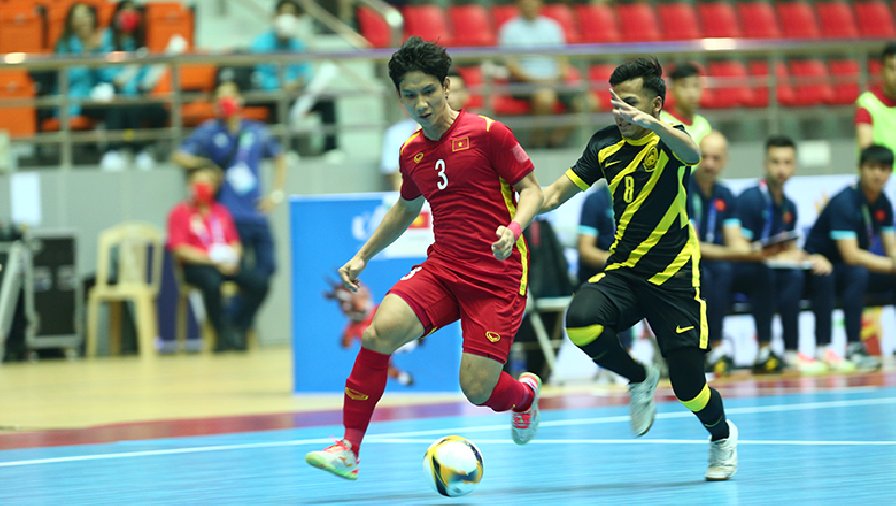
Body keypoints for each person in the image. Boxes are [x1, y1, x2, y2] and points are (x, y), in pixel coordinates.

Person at [304, 36, 545, 480]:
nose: (421, 103)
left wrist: (513, 230)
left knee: (477, 390)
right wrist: (362, 257)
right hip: (444, 269)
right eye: (410, 95)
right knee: (379, 332)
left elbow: (533, 191)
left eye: (428, 91)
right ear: (399, 98)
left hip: (497, 275)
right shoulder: (410, 152)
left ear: (446, 87)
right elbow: (405, 208)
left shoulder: (488, 134)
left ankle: (524, 396)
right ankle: (349, 448)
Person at [540, 57, 737, 481]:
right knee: (580, 322)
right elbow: (558, 191)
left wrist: (654, 126)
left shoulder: (671, 138)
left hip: (674, 278)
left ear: (656, 104)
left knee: (689, 388)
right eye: (614, 103)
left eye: (628, 103)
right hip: (625, 273)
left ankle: (721, 435)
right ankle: (638, 376)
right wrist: (519, 212)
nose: (620, 112)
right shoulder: (604, 145)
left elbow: (692, 152)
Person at [172, 80, 287, 349]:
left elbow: (280, 157)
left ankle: (235, 324)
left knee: (265, 271)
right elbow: (180, 155)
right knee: (233, 272)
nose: (226, 102)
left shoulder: (256, 131)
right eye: (220, 98)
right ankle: (231, 333)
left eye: (230, 97)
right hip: (230, 219)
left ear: (240, 101)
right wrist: (206, 165)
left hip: (256, 216)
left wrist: (275, 194)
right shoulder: (208, 133)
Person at [734, 136, 831, 373]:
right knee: (781, 276)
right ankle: (777, 350)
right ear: (765, 164)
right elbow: (740, 249)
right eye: (775, 162)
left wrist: (811, 258)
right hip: (749, 272)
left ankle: (818, 349)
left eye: (787, 162)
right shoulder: (750, 198)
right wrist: (773, 257)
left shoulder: (790, 206)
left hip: (778, 271)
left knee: (821, 274)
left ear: (794, 166)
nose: (781, 169)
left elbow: (789, 250)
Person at [804, 145, 896, 372]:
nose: (878, 174)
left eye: (883, 169)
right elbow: (850, 254)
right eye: (872, 168)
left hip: (849, 268)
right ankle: (853, 346)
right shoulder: (845, 201)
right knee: (857, 273)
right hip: (821, 265)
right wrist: (892, 265)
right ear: (859, 169)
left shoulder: (883, 202)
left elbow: (891, 246)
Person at [166, 167, 266, 352]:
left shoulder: (221, 212)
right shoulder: (179, 213)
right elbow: (180, 249)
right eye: (198, 182)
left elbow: (235, 242)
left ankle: (236, 327)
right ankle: (221, 332)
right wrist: (212, 260)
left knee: (258, 283)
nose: (203, 186)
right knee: (212, 282)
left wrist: (233, 259)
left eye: (207, 182)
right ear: (190, 185)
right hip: (197, 266)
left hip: (226, 264)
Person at [686, 131, 751, 376]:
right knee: (711, 273)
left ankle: (769, 350)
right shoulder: (683, 188)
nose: (710, 164)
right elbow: (692, 244)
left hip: (717, 262)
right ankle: (710, 346)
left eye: (716, 158)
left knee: (759, 273)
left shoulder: (725, 194)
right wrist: (731, 251)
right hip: (684, 262)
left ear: (724, 161)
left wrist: (757, 251)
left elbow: (735, 239)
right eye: (705, 157)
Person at [498, 0, 591, 148]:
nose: (530, 6)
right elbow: (512, 66)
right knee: (545, 98)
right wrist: (538, 81)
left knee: (588, 102)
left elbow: (562, 59)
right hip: (523, 82)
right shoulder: (509, 29)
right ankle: (538, 141)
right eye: (526, 3)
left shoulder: (552, 26)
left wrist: (558, 76)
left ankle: (555, 140)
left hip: (554, 80)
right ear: (519, 5)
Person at [250, 0, 338, 152]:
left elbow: (306, 72)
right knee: (283, 100)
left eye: (292, 14)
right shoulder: (260, 44)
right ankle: (288, 149)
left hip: (298, 92)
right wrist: (281, 86)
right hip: (273, 94)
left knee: (327, 99)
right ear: (275, 16)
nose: (288, 18)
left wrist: (300, 83)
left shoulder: (298, 45)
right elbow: (259, 77)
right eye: (284, 13)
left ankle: (332, 148)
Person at [100, 0, 169, 171]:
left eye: (133, 13)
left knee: (161, 111)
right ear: (116, 15)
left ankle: (144, 147)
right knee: (124, 106)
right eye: (125, 12)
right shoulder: (107, 39)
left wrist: (148, 80)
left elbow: (145, 78)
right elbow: (106, 73)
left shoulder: (139, 43)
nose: (129, 16)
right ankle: (122, 150)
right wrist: (125, 75)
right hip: (114, 94)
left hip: (137, 95)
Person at [380, 70, 470, 191]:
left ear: (466, 95)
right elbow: (400, 185)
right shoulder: (398, 135)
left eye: (455, 91)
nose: (450, 97)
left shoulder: (482, 130)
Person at [577, 182, 633, 352]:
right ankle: (621, 356)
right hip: (600, 275)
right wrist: (620, 261)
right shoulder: (596, 200)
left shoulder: (643, 199)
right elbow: (586, 251)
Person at [855, 42, 896, 156]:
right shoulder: (868, 104)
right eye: (892, 69)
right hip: (882, 173)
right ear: (882, 70)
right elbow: (867, 154)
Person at [660, 62, 712, 147]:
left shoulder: (704, 124)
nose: (691, 93)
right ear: (672, 89)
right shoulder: (662, 122)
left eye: (695, 85)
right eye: (684, 86)